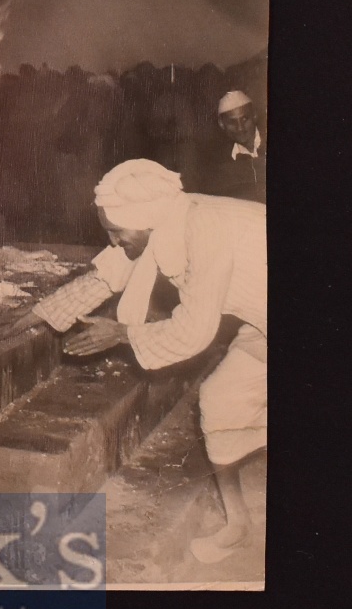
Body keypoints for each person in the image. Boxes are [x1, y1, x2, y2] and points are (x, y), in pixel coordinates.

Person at [15, 159, 266, 564]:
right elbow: (110, 272)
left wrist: (123, 333)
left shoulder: (205, 228)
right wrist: (43, 312)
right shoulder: (164, 221)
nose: (113, 241)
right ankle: (238, 524)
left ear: (141, 219)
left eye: (115, 231)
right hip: (266, 326)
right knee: (221, 402)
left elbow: (196, 329)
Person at [210, 90, 265, 202]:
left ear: (254, 115)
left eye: (244, 119)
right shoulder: (219, 161)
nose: (240, 128)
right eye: (232, 122)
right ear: (222, 124)